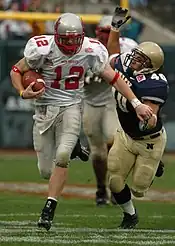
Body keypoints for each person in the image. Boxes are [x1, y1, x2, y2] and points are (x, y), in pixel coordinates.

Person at [10, 12, 152, 231]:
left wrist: (136, 103)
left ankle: (49, 207)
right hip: (44, 110)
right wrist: (22, 92)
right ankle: (76, 147)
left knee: (63, 156)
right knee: (45, 171)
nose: (69, 43)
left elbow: (113, 77)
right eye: (65, 39)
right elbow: (17, 70)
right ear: (56, 35)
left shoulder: (91, 50)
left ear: (81, 36)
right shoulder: (42, 48)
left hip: (72, 106)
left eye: (74, 39)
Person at [107, 12, 168, 229]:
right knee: (114, 180)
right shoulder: (126, 62)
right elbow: (112, 54)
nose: (134, 60)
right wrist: (115, 28)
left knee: (139, 188)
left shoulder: (155, 83)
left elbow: (150, 118)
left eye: (142, 59)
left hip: (148, 139)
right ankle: (130, 215)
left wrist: (145, 117)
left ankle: (155, 164)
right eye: (136, 55)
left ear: (151, 66)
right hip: (125, 134)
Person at [83, 8, 138, 206]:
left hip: (113, 102)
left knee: (114, 143)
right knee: (97, 153)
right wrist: (84, 79)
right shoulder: (86, 47)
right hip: (90, 102)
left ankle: (116, 187)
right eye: (101, 30)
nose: (103, 34)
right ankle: (100, 188)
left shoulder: (129, 47)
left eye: (108, 31)